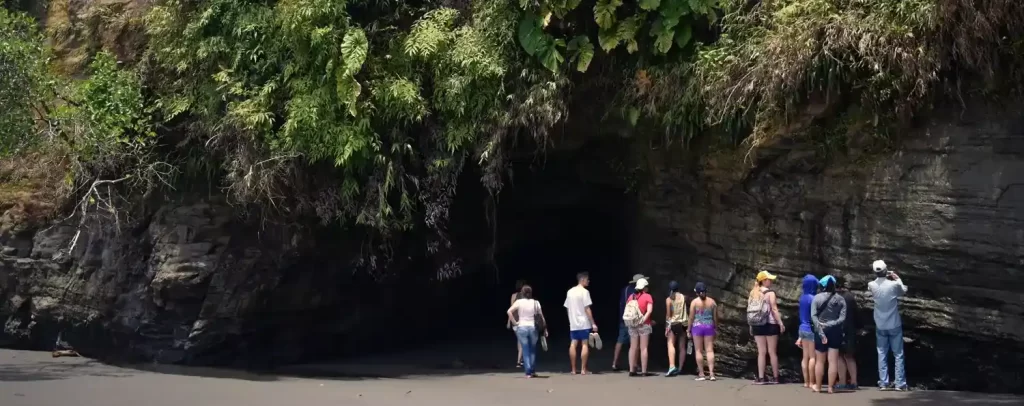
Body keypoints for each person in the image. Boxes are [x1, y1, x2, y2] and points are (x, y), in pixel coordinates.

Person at [867, 260, 908, 391]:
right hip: (894, 324)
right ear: (886, 271)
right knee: (898, 354)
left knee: (882, 353)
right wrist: (898, 278)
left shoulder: (871, 285)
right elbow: (903, 291)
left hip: (880, 324)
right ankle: (899, 383)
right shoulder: (893, 285)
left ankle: (883, 383)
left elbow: (875, 284)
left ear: (874, 272)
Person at [812, 275, 847, 394]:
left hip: (820, 329)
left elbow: (813, 316)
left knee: (820, 361)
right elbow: (842, 318)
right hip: (835, 331)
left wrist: (821, 328)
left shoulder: (816, 298)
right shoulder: (841, 299)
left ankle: (818, 386)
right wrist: (832, 323)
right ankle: (831, 387)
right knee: (833, 361)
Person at [748, 270, 785, 384]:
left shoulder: (753, 292)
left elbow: (750, 310)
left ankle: (761, 378)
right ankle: (775, 378)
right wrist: (780, 323)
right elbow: (774, 309)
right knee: (772, 352)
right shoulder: (770, 293)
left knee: (761, 352)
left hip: (757, 325)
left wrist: (751, 325)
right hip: (770, 325)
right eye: (769, 279)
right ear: (764, 281)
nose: (771, 281)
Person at [507, 284, 548, 378]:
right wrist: (545, 328)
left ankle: (528, 372)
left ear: (522, 293)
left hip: (521, 327)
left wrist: (515, 322)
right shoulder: (536, 302)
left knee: (525, 349)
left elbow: (509, 311)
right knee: (533, 349)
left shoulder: (519, 302)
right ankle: (532, 371)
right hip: (533, 327)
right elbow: (541, 316)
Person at [564, 272, 598, 375]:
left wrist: (570, 318)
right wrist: (593, 323)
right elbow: (587, 308)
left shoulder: (570, 292)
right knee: (584, 344)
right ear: (582, 280)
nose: (588, 281)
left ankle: (573, 369)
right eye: (587, 280)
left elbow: (567, 307)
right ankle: (583, 369)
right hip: (583, 322)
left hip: (573, 323)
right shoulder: (585, 292)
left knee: (573, 344)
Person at [612, 274, 646, 371]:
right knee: (635, 344)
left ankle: (615, 362)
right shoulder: (637, 292)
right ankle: (635, 364)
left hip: (624, 318)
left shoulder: (625, 289)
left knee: (620, 341)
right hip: (634, 320)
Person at [687, 282, 718, 381]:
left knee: (698, 350)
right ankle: (712, 374)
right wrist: (716, 328)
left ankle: (701, 374)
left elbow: (691, 318)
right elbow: (715, 318)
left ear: (696, 292)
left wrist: (688, 329)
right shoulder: (712, 302)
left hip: (697, 327)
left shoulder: (694, 302)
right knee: (709, 350)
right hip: (709, 326)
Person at [835, 275, 860, 390]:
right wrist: (859, 327)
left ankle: (842, 381)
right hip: (850, 330)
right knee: (849, 356)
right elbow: (856, 314)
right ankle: (854, 382)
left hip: (837, 329)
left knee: (839, 356)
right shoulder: (850, 297)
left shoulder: (833, 297)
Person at [626, 277, 654, 377]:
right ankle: (643, 371)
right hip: (644, 324)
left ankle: (631, 370)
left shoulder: (631, 297)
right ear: (645, 287)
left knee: (633, 347)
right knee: (643, 348)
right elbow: (649, 311)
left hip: (632, 324)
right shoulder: (648, 296)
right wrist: (643, 319)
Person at [797, 274, 818, 388]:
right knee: (812, 357)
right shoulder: (813, 298)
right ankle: (812, 382)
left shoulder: (802, 297)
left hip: (802, 328)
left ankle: (805, 382)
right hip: (811, 329)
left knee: (805, 357)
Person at [664, 280, 688, 377]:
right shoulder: (684, 297)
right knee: (682, 346)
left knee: (670, 344)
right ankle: (681, 368)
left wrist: (666, 327)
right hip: (683, 324)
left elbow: (668, 315)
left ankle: (672, 366)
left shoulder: (669, 299)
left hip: (674, 324)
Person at [509, 279, 527, 368]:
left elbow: (511, 309)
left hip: (514, 321)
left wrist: (509, 322)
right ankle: (519, 361)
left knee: (519, 341)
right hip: (522, 321)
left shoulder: (513, 296)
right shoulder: (526, 296)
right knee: (522, 341)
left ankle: (521, 359)